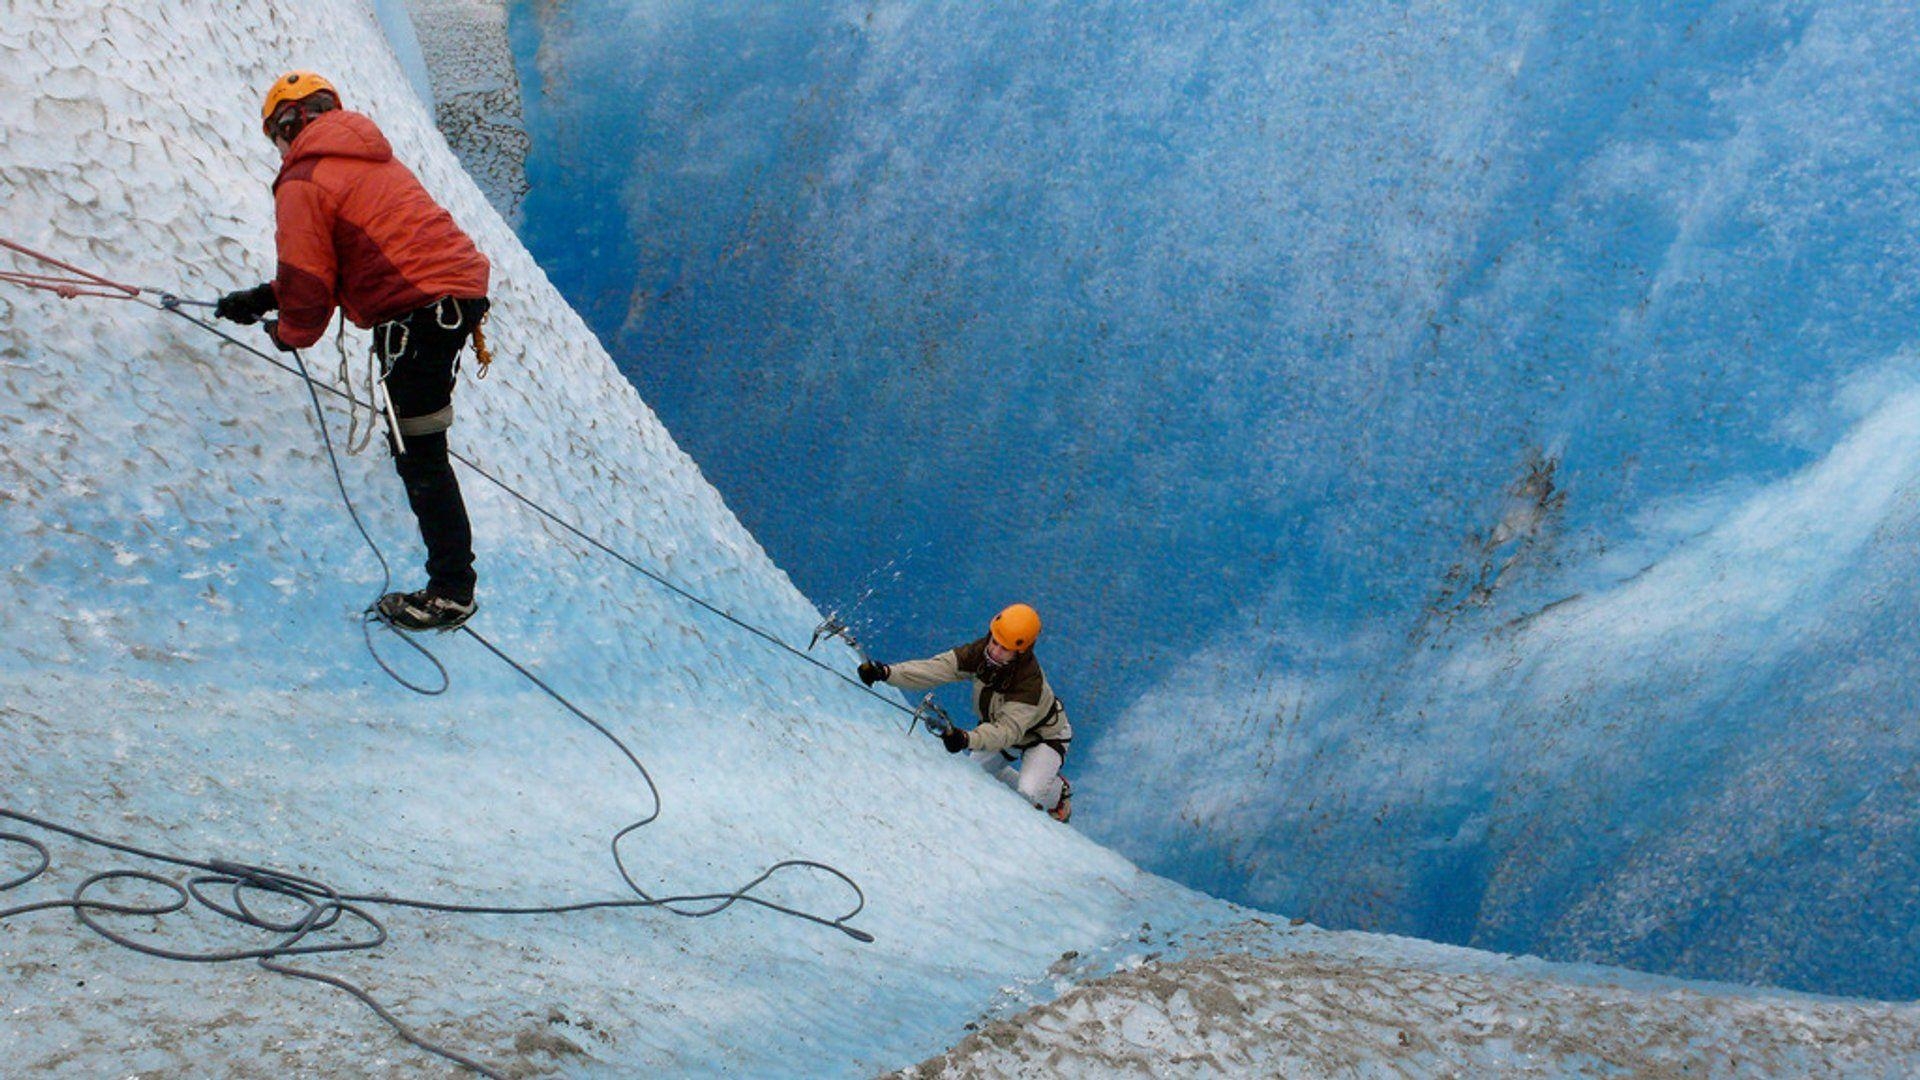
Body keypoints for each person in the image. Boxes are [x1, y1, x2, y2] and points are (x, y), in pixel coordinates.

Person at [215, 71, 491, 631]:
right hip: (452, 302)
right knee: (422, 444)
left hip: (417, 313)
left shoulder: (304, 179)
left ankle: (450, 592)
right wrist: (260, 299)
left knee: (422, 456)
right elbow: (360, 255)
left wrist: (286, 331)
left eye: (277, 135)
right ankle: (451, 582)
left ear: (287, 127)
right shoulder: (370, 159)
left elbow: (311, 284)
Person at [858, 603, 1074, 822]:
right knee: (976, 771)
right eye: (994, 642)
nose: (995, 652)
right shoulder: (979, 653)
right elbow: (936, 669)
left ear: (1021, 652)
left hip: (1044, 737)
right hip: (1004, 730)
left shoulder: (1029, 683)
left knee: (1028, 793)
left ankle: (1058, 794)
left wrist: (966, 738)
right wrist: (887, 673)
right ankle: (1023, 777)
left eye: (1005, 649)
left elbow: (1006, 733)